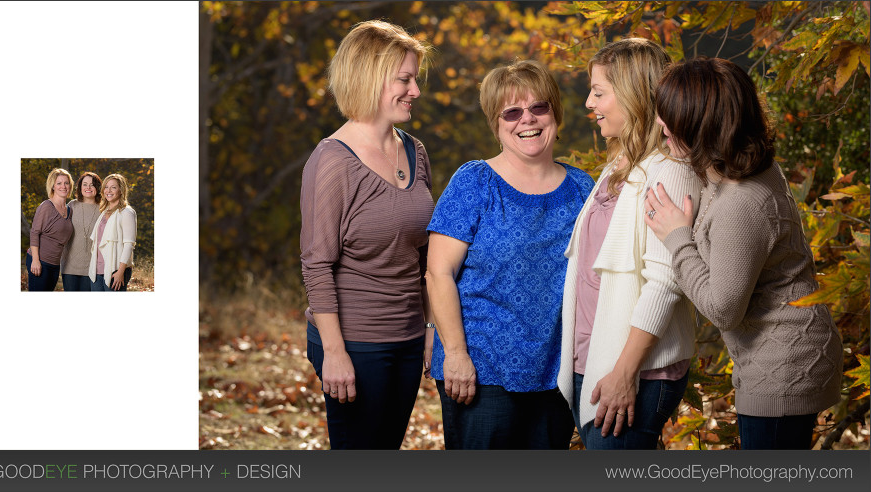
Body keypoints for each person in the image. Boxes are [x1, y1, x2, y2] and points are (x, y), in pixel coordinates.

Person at [644, 57, 843, 450]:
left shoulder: (741, 202)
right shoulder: (741, 166)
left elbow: (723, 309)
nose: (659, 125)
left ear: (701, 126)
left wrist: (677, 237)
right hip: (789, 353)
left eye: (670, 117)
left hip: (782, 369)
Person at [425, 59, 594, 449]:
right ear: (496, 124)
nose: (527, 120)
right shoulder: (475, 182)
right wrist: (455, 354)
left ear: (555, 113)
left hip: (556, 372)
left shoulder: (583, 189)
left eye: (539, 107)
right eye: (512, 112)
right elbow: (438, 273)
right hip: (480, 370)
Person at [555, 38, 704, 450]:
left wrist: (624, 372)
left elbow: (666, 283)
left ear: (635, 95)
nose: (589, 102)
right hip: (594, 357)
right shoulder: (620, 165)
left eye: (599, 92)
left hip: (635, 370)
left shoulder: (670, 170)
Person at [299, 20, 434, 449]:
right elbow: (317, 263)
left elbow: (425, 253)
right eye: (404, 79)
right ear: (370, 78)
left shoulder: (415, 151)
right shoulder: (333, 161)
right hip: (356, 342)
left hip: (409, 337)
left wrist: (431, 326)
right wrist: (335, 353)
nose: (415, 90)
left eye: (415, 79)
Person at [26, 168, 74, 291]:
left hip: (55, 264)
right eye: (59, 183)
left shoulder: (69, 210)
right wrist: (36, 261)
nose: (63, 186)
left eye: (66, 183)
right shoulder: (46, 206)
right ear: (52, 186)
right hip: (40, 261)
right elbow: (35, 233)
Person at [88, 173, 137, 291]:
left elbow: (129, 245)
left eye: (113, 187)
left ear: (121, 190)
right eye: (106, 187)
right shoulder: (104, 212)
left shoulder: (126, 212)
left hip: (115, 270)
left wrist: (120, 272)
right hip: (97, 271)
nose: (108, 190)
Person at [61, 171, 102, 291]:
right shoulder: (71, 205)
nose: (88, 188)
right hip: (69, 266)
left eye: (92, 184)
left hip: (92, 267)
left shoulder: (104, 208)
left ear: (98, 188)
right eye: (85, 184)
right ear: (80, 187)